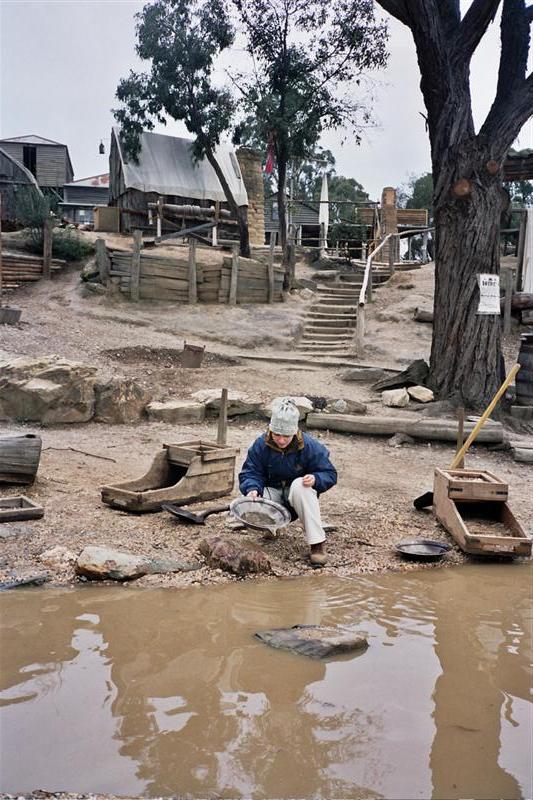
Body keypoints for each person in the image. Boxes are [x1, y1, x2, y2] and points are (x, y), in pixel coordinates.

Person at [238, 397, 337, 567]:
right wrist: (252, 489)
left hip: (297, 498)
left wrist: (316, 479)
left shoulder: (310, 446)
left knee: (301, 486)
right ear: (270, 430)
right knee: (257, 494)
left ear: (295, 432)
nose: (281, 440)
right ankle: (273, 526)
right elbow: (251, 472)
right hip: (274, 495)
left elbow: (329, 473)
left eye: (286, 436)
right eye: (277, 434)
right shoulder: (260, 445)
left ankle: (317, 544)